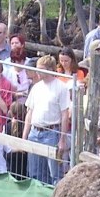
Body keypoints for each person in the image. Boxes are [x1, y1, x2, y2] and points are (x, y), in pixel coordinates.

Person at [23, 55, 70, 185]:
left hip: (51, 132)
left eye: (40, 69)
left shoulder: (61, 87)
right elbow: (29, 112)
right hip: (34, 131)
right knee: (34, 172)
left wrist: (62, 139)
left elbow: (65, 114)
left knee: (54, 173)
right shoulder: (36, 87)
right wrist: (24, 136)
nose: (37, 72)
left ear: (49, 69)